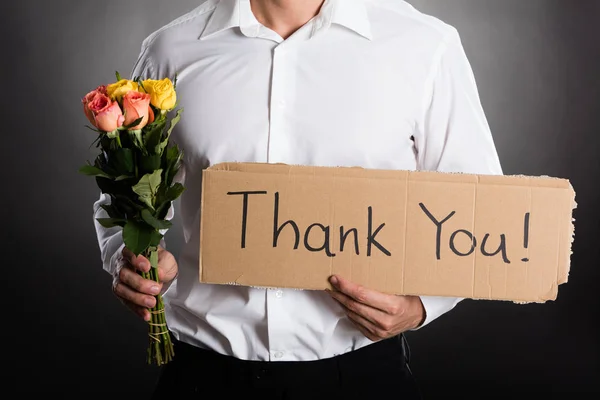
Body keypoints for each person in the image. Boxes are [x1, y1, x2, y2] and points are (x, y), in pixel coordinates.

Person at [93, 0, 503, 398]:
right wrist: (133, 259)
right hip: (204, 372)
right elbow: (124, 190)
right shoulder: (171, 51)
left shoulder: (424, 44)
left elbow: (478, 209)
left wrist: (419, 306)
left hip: (361, 373)